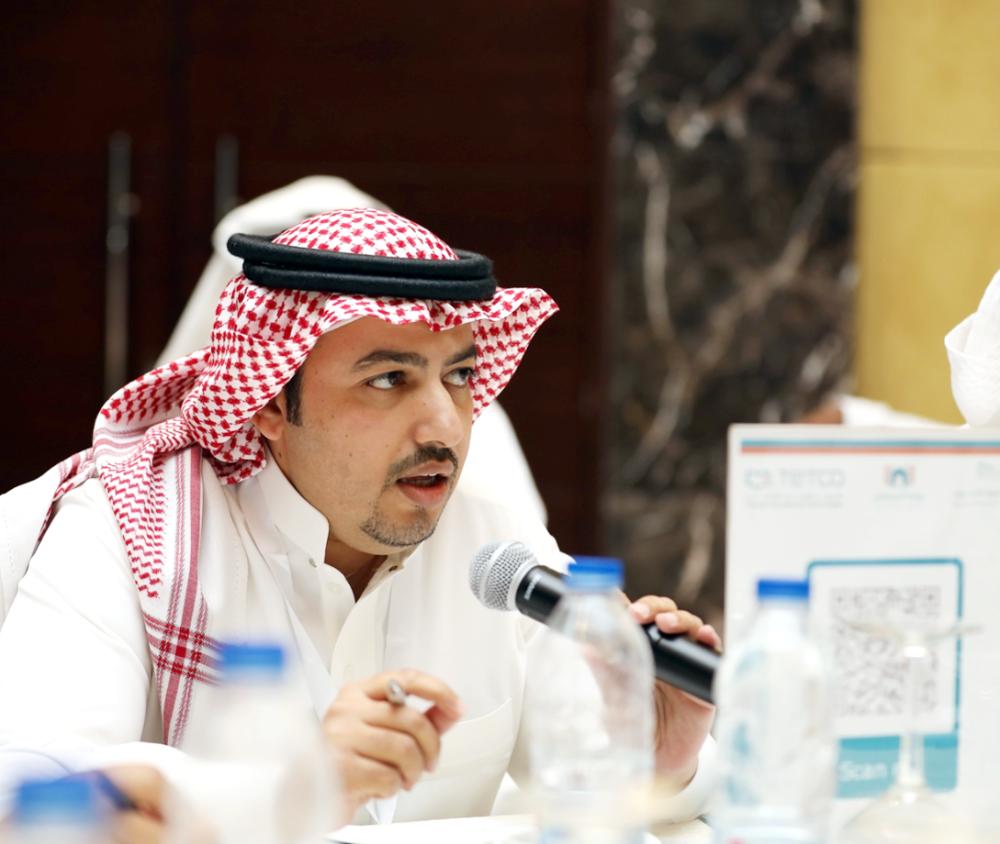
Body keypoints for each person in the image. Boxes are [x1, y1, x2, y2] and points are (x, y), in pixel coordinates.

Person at [0, 208, 720, 838]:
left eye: (459, 376)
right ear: (269, 403)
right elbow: (25, 800)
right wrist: (290, 790)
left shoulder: (494, 544)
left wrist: (653, 762)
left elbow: (588, 785)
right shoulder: (129, 532)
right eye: (388, 379)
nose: (446, 425)